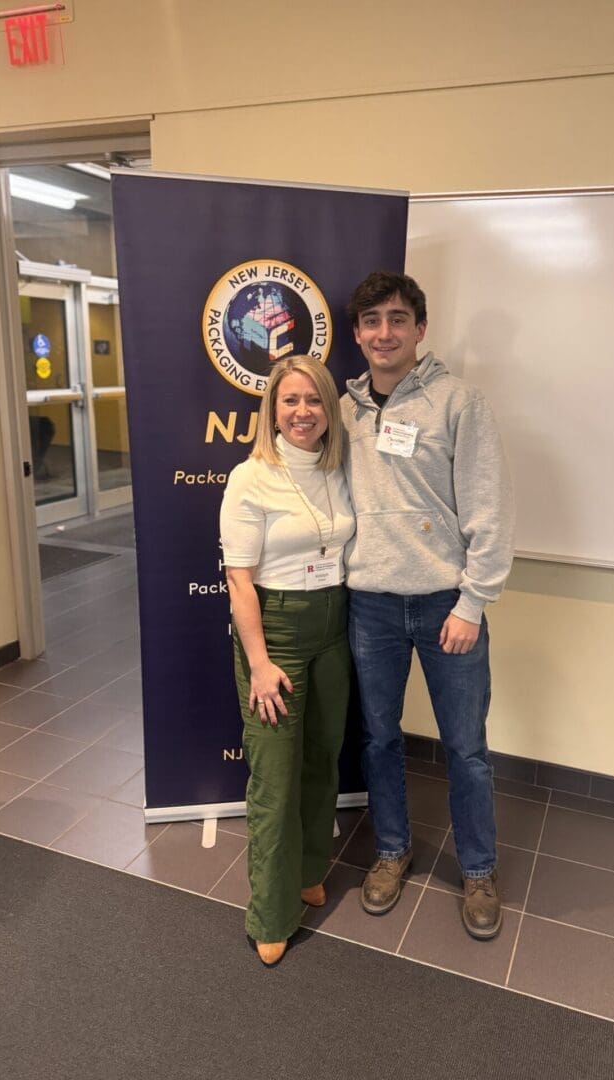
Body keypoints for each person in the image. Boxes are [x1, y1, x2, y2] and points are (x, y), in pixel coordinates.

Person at [341, 271, 514, 939]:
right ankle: (392, 851)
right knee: (380, 740)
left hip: (447, 606)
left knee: (466, 749)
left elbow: (490, 512)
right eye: (372, 322)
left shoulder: (459, 402)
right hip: (372, 608)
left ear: (420, 327)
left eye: (397, 319)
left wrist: (472, 602)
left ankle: (477, 868)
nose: (384, 333)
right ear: (357, 334)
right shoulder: (348, 407)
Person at [220, 355, 355, 965]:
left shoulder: (337, 468)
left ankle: (307, 873)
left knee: (322, 762)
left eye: (315, 401)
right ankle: (271, 913)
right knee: (275, 780)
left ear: (330, 409)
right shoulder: (252, 477)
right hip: (275, 634)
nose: (303, 413)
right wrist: (262, 662)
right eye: (290, 401)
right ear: (271, 408)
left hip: (335, 626)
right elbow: (240, 582)